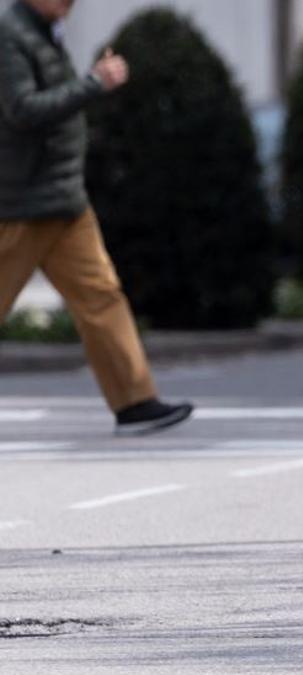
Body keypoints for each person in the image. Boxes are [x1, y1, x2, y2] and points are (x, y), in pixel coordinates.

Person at [0, 0, 192, 436]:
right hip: (22, 203)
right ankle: (134, 401)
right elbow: (22, 110)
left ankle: (135, 402)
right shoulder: (10, 35)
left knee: (102, 296)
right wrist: (93, 83)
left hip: (63, 199)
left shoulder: (42, 31)